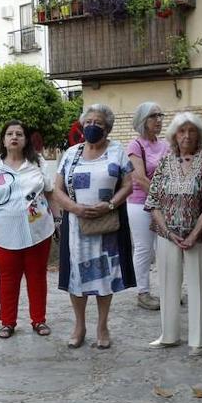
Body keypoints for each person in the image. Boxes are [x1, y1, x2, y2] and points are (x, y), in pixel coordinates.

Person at [52, 104, 136, 349]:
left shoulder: (117, 151)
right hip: (76, 226)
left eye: (97, 123)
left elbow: (128, 185)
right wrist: (75, 208)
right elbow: (57, 189)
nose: (91, 126)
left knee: (104, 276)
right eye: (87, 122)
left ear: (107, 127)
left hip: (106, 225)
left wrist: (110, 205)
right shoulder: (71, 153)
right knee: (76, 276)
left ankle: (102, 325)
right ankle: (79, 325)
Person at [144, 112, 202, 351]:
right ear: (174, 135)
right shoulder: (165, 161)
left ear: (199, 134)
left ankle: (200, 340)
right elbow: (153, 202)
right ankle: (168, 335)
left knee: (199, 285)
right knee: (168, 284)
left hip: (198, 235)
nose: (187, 135)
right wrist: (169, 233)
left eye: (192, 130)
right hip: (167, 234)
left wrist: (194, 234)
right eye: (182, 131)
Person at [0, 120, 56, 338]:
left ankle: (39, 320)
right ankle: (7, 322)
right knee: (8, 278)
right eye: (10, 134)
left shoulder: (37, 163)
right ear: (3, 139)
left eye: (19, 134)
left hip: (38, 231)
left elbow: (49, 192)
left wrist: (57, 220)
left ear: (26, 139)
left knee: (37, 276)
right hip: (5, 232)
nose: (14, 137)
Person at [125, 102, 169, 310]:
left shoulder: (165, 145)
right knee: (144, 248)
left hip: (163, 203)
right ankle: (143, 292)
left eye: (160, 115)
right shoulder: (136, 145)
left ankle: (169, 290)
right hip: (139, 203)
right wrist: (163, 197)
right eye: (153, 116)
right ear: (143, 120)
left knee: (165, 248)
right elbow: (140, 178)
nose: (159, 120)